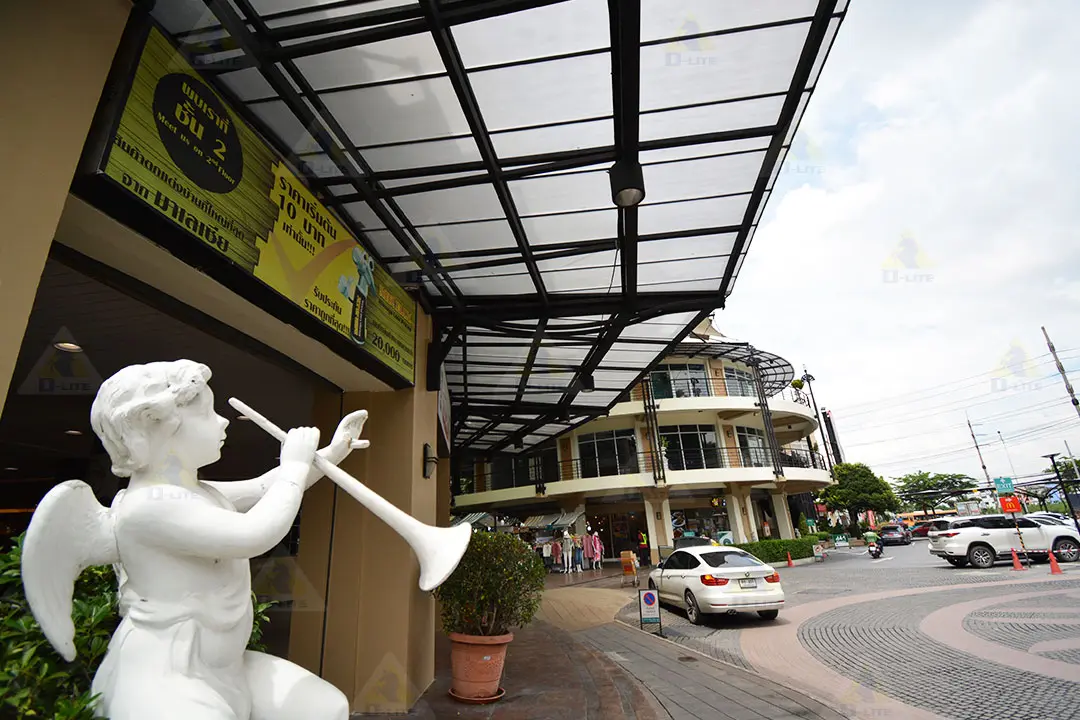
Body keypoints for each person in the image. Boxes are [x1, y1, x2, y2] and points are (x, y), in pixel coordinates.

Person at [23, 360, 370, 720]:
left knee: (327, 707)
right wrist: (294, 468)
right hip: (166, 678)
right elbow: (254, 533)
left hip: (227, 669)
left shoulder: (198, 492)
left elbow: (263, 487)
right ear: (157, 426)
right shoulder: (147, 507)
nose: (222, 422)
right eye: (207, 413)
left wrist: (333, 452)